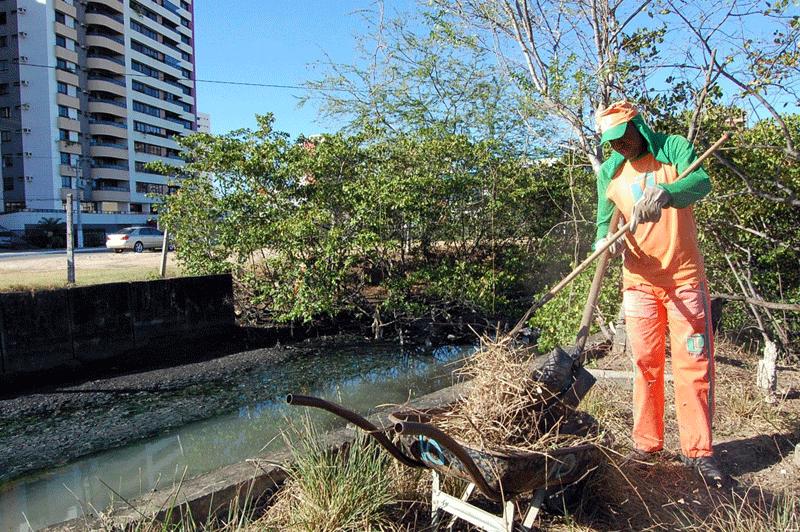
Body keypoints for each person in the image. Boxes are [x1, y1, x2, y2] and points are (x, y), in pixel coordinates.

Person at [593, 100, 728, 487]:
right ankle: (647, 445)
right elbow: (603, 223)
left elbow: (700, 182)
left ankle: (698, 452)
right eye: (611, 142)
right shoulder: (611, 170)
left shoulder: (673, 148)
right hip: (638, 283)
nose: (619, 146)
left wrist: (667, 193)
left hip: (684, 279)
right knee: (644, 364)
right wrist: (604, 243)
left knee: (693, 365)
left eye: (623, 137)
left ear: (638, 126)